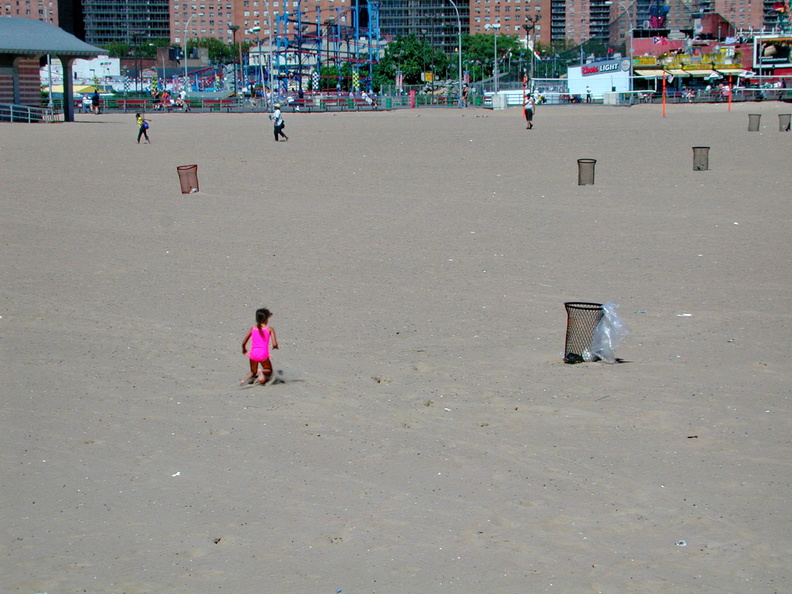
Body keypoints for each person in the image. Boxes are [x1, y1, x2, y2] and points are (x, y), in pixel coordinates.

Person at [240, 308, 279, 385]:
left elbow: (244, 342)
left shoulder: (253, 328)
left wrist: (244, 349)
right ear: (267, 318)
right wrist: (275, 346)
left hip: (253, 353)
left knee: (253, 372)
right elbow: (274, 343)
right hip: (263, 354)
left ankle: (244, 381)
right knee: (269, 371)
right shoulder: (270, 329)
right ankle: (261, 372)